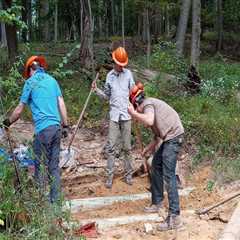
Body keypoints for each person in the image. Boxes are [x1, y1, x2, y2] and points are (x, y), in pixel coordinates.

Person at [3, 56, 68, 203]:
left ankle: (40, 204)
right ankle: (55, 202)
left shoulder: (30, 83)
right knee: (54, 167)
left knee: (39, 167)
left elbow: (19, 110)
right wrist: (65, 125)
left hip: (43, 130)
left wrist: (7, 122)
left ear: (30, 70)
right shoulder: (52, 80)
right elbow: (61, 103)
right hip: (56, 128)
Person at [128, 82, 184, 231]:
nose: (137, 112)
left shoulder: (147, 104)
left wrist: (134, 114)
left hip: (173, 137)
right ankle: (157, 202)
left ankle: (175, 217)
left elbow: (149, 120)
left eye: (135, 109)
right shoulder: (148, 106)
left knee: (169, 175)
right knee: (156, 167)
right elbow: (157, 137)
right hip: (167, 138)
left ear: (137, 104)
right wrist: (148, 149)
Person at [92, 47, 135, 188]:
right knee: (111, 147)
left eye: (123, 64)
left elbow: (133, 93)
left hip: (127, 115)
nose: (121, 66)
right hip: (114, 116)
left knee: (127, 147)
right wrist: (96, 90)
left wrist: (136, 105)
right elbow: (106, 96)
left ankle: (128, 175)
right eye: (119, 64)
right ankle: (109, 177)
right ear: (114, 61)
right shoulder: (109, 76)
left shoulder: (128, 74)